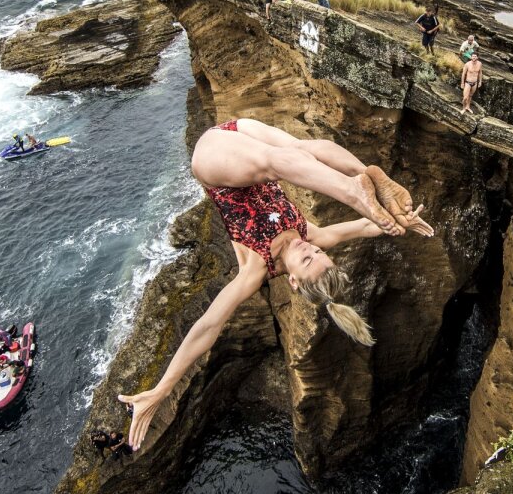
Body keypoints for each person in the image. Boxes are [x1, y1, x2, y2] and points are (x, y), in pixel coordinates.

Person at [117, 119, 432, 449]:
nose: (309, 247)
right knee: (300, 149)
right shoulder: (310, 236)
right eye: (317, 252)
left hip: (214, 163)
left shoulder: (254, 269)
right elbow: (363, 228)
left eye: (307, 258)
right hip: (239, 134)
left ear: (293, 280)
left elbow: (207, 327)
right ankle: (367, 176)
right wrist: (398, 220)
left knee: (274, 163)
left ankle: (354, 188)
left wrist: (161, 390)